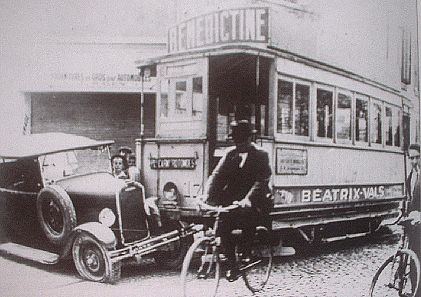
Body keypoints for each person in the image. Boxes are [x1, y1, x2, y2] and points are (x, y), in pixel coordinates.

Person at [201, 119, 273, 281]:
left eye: (242, 139)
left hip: (256, 198)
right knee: (222, 227)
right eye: (236, 140)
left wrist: (248, 199)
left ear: (250, 138)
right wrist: (207, 196)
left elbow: (262, 180)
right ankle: (232, 265)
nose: (238, 143)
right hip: (233, 199)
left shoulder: (261, 155)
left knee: (248, 217)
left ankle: (247, 251)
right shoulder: (230, 154)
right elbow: (216, 176)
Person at [406, 143, 420, 295]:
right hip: (414, 226)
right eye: (411, 158)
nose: (414, 161)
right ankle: (415, 291)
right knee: (413, 260)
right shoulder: (410, 176)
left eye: (417, 157)